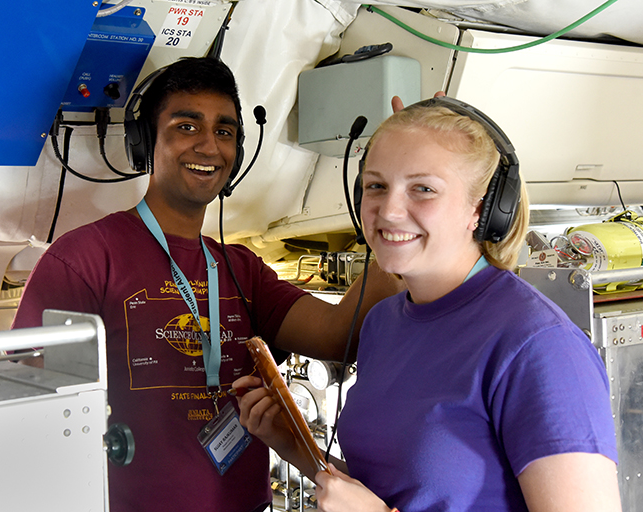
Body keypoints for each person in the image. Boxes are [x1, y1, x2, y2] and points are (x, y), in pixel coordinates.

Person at [11, 57, 404, 512]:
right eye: (186, 126)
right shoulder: (82, 260)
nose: (208, 146)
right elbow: (29, 412)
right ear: (145, 142)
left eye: (224, 131)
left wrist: (394, 210)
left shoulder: (242, 269)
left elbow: (341, 333)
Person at [234, 97, 622, 512]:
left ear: (484, 209)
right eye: (376, 186)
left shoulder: (539, 347)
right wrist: (295, 446)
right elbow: (404, 492)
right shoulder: (383, 323)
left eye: (423, 189)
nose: (389, 210)